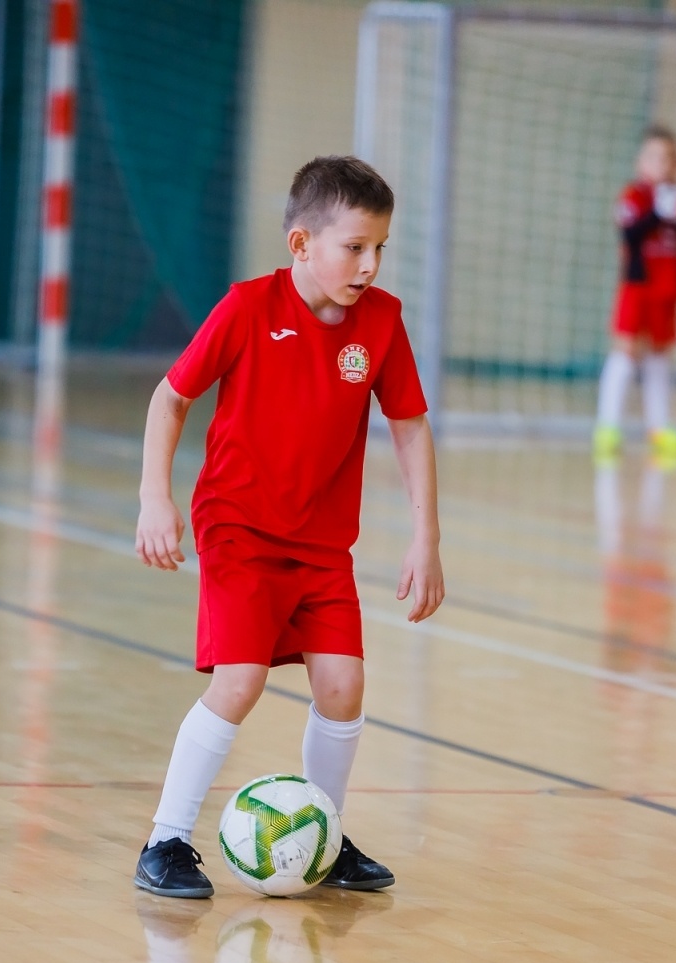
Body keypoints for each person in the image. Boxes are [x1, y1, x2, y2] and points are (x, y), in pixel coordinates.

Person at [132, 155, 445, 897]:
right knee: (238, 683)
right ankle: (165, 842)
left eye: (380, 249)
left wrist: (425, 536)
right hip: (238, 527)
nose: (369, 264)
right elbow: (170, 399)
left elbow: (409, 425)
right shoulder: (246, 309)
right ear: (301, 244)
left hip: (320, 543)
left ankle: (323, 837)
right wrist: (155, 497)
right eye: (354, 247)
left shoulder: (383, 322)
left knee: (343, 686)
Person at [594, 125, 676, 462]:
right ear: (641, 162)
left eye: (670, 158)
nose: (663, 164)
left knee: (659, 356)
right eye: (655, 157)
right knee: (626, 350)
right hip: (638, 287)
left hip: (668, 290)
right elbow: (629, 234)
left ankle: (659, 428)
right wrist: (657, 214)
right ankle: (607, 427)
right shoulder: (634, 197)